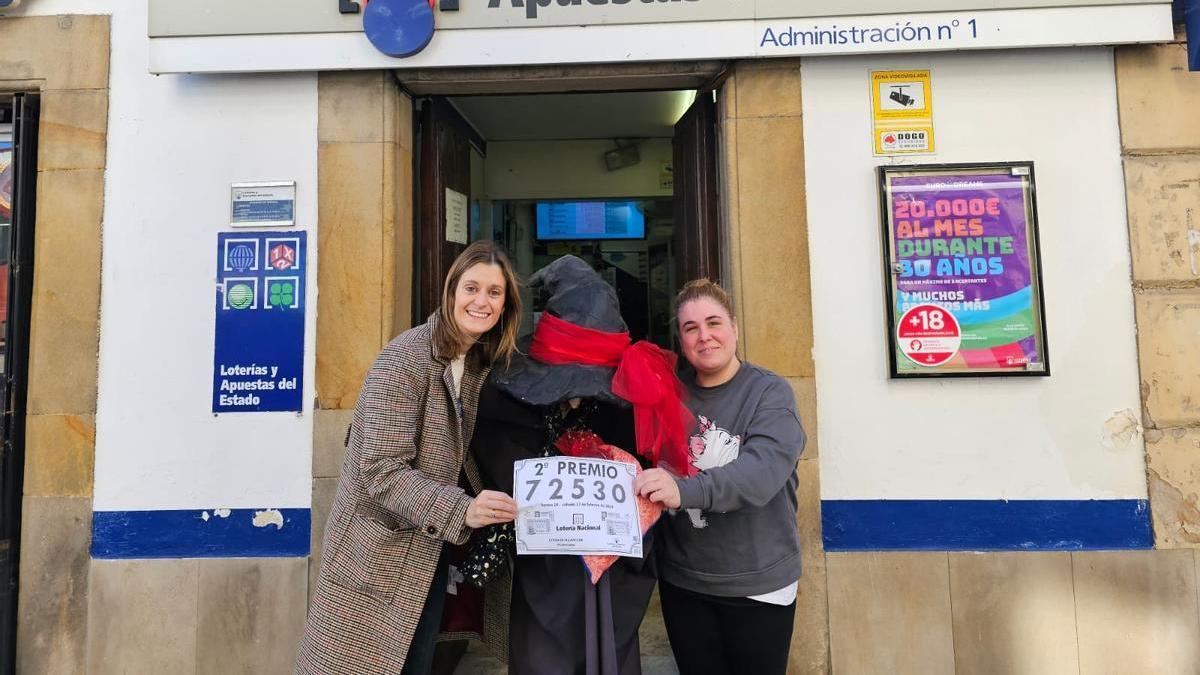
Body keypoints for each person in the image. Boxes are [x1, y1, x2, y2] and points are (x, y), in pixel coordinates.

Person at [296, 240, 524, 675]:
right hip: (377, 552)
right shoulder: (405, 359)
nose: (482, 301)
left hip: (425, 548)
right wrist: (464, 509)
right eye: (472, 288)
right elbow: (381, 471)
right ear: (451, 290)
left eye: (494, 293)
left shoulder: (473, 361)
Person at [467, 255, 694, 675]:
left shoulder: (631, 410)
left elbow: (654, 477)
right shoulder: (502, 408)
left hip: (612, 568)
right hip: (543, 571)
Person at [635, 279, 806, 675]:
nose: (704, 336)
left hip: (758, 585)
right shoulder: (669, 395)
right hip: (684, 582)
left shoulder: (770, 393)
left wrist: (682, 490)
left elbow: (761, 474)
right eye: (690, 327)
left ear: (734, 329)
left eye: (714, 323)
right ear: (680, 338)